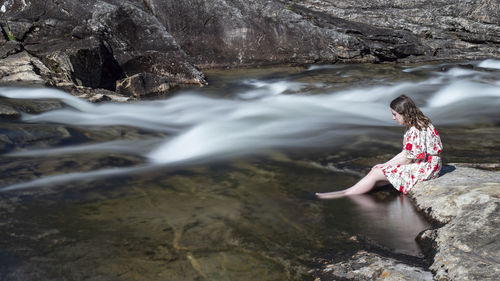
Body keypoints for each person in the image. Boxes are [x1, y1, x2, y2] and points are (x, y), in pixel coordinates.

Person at [316, 94, 443, 199]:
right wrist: (386, 164)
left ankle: (346, 193)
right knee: (378, 171)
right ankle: (353, 190)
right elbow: (406, 153)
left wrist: (385, 166)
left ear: (404, 113)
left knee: (377, 172)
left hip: (427, 168)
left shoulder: (416, 130)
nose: (393, 118)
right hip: (427, 163)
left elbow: (407, 158)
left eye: (395, 114)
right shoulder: (419, 123)